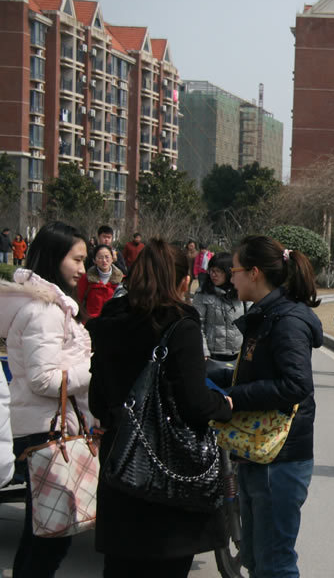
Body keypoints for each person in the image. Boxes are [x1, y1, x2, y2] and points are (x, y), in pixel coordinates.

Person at [87, 239, 233, 577]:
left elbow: (97, 398)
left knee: (120, 568)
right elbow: (194, 401)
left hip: (120, 462)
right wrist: (224, 405)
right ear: (184, 281)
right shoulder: (181, 322)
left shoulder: (110, 317)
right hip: (168, 470)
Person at [0, 221, 91, 577]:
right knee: (48, 540)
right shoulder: (43, 311)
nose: (83, 269)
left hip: (46, 431)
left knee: (43, 535)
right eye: (77, 260)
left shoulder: (50, 307)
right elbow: (43, 380)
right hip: (46, 435)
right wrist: (94, 372)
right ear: (55, 258)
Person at [228, 235, 323, 578]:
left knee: (275, 563)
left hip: (280, 457)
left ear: (254, 273)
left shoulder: (287, 321)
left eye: (234, 269)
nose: (230, 276)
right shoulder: (269, 314)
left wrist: (234, 397)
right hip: (261, 454)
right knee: (258, 559)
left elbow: (296, 385)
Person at [192, 252, 247, 360]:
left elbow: (251, 322)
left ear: (229, 272)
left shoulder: (242, 292)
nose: (214, 275)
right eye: (212, 270)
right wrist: (203, 351)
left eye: (219, 271)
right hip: (212, 355)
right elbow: (198, 324)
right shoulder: (202, 293)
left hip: (239, 355)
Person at [76, 244, 124, 320]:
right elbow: (78, 301)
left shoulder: (121, 280)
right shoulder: (86, 279)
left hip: (113, 323)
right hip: (91, 324)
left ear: (112, 258)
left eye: (107, 257)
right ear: (94, 260)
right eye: (100, 258)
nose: (104, 260)